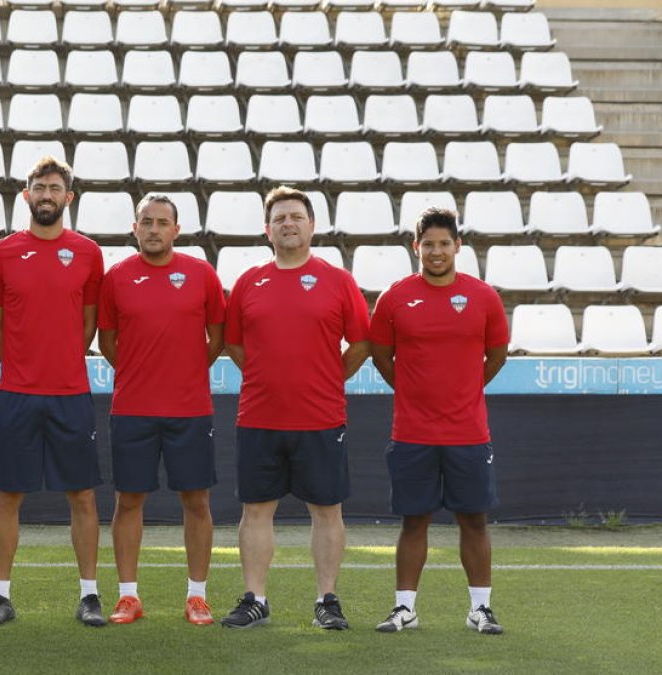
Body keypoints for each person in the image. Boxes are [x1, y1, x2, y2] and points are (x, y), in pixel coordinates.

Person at [220, 187, 370, 630]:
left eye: (296, 216)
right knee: (256, 511)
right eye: (280, 218)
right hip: (259, 417)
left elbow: (360, 343)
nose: (289, 223)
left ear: (312, 225)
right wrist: (269, 375)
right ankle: (256, 599)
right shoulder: (249, 281)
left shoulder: (338, 280)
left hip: (320, 418)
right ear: (268, 230)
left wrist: (325, 379)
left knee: (326, 511)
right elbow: (233, 342)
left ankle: (326, 599)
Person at [369, 207, 509, 635]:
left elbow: (497, 354)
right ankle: (405, 609)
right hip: (413, 431)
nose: (435, 251)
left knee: (474, 520)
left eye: (444, 243)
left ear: (457, 247)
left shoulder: (484, 296)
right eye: (428, 243)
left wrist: (465, 390)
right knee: (415, 520)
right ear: (416, 247)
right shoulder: (394, 297)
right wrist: (412, 391)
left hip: (468, 432)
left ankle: (480, 609)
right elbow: (380, 354)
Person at [0, 157, 106, 627]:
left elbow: (89, 320)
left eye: (55, 188)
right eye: (39, 187)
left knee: (83, 497)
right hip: (17, 392)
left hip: (70, 393)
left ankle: (90, 595)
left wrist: (62, 362)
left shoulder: (88, 253)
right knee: (8, 495)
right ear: (26, 195)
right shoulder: (3, 254)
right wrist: (20, 362)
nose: (47, 195)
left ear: (68, 197)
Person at [97, 194, 226, 626]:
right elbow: (108, 342)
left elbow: (216, 336)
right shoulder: (116, 277)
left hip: (189, 409)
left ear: (176, 229)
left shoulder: (201, 274)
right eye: (146, 222)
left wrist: (183, 372)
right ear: (135, 228)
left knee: (196, 500)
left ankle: (197, 596)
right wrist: (141, 372)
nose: (153, 229)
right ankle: (129, 596)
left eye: (161, 222)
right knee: (129, 500)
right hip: (133, 408)